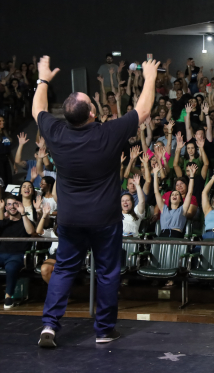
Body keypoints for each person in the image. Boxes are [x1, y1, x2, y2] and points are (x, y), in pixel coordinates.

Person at [35, 56, 160, 347]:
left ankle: (49, 327)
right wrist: (150, 76)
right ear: (92, 113)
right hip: (104, 219)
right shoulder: (108, 133)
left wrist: (42, 79)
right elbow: (143, 110)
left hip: (70, 219)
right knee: (106, 272)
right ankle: (104, 330)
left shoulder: (56, 133)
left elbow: (37, 109)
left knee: (64, 269)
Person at [0, 194, 35, 309]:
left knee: (11, 268)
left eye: (15, 204)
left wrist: (23, 213)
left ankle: (8, 297)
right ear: (6, 207)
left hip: (17, 255)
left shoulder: (25, 221)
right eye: (9, 204)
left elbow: (30, 232)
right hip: (1, 254)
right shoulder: (4, 223)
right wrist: (0, 210)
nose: (12, 207)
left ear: (20, 205)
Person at [153, 164, 196, 238]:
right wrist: (155, 174)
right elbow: (156, 192)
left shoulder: (182, 209)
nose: (174, 196)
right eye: (172, 195)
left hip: (176, 236)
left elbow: (189, 193)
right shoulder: (164, 208)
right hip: (163, 235)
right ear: (169, 199)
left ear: (180, 199)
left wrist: (192, 176)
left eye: (177, 194)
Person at [37, 203, 58, 284]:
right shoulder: (53, 231)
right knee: (45, 269)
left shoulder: (75, 230)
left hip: (70, 253)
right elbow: (39, 231)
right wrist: (44, 215)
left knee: (58, 269)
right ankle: (55, 291)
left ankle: (61, 293)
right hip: (56, 254)